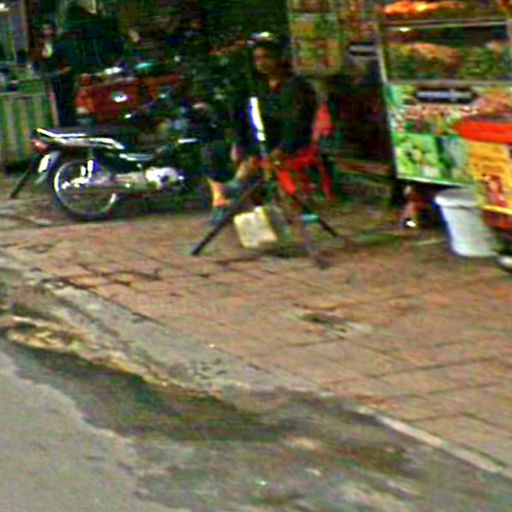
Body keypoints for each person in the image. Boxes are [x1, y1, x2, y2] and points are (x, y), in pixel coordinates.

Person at [209, 34, 318, 219]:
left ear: (279, 58)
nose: (261, 63)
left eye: (266, 57)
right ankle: (226, 195)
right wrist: (238, 143)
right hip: (262, 141)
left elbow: (296, 123)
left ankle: (238, 185)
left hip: (289, 141)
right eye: (257, 59)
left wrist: (280, 151)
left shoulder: (295, 86)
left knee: (262, 134)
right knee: (213, 150)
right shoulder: (259, 86)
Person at [35, 21, 76, 127]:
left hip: (63, 81)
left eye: (48, 29)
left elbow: (70, 64)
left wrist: (59, 73)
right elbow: (38, 63)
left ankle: (68, 125)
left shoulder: (61, 45)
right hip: (48, 82)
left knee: (65, 105)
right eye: (44, 29)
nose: (47, 32)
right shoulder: (40, 47)